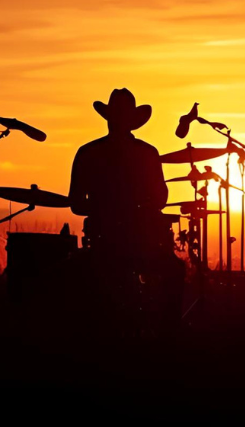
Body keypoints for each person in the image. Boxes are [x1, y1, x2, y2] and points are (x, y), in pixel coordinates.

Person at [68, 88, 183, 334]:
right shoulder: (148, 153)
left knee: (73, 274)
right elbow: (161, 199)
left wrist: (103, 209)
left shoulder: (88, 152)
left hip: (102, 245)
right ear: (134, 121)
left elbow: (76, 204)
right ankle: (168, 336)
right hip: (141, 245)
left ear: (108, 118)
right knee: (175, 271)